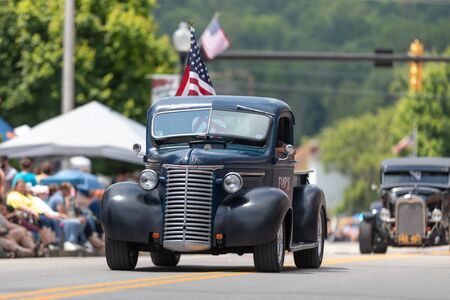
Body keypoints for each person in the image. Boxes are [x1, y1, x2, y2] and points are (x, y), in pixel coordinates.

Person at [6, 179, 57, 245]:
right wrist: (32, 212)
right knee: (43, 221)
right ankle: (47, 242)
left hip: (36, 213)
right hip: (25, 215)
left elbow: (36, 204)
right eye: (21, 186)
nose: (22, 188)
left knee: (50, 221)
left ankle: (50, 241)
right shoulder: (14, 195)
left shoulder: (26, 195)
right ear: (16, 187)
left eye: (24, 186)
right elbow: (20, 206)